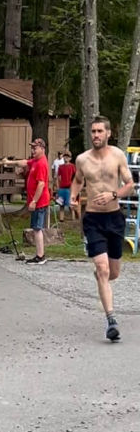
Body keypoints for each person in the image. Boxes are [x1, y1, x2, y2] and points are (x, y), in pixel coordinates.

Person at [70, 116, 134, 341]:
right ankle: (111, 321)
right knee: (103, 268)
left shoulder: (117, 156)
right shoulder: (82, 159)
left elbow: (130, 185)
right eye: (93, 131)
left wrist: (113, 194)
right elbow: (78, 180)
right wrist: (73, 195)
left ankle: (102, 276)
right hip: (94, 220)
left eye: (99, 131)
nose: (96, 135)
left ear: (108, 133)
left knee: (112, 272)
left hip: (114, 218)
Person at [2, 138, 51, 265]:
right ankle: (39, 254)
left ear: (42, 149)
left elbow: (41, 184)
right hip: (36, 201)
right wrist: (10, 162)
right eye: (32, 147)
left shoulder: (41, 164)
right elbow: (24, 162)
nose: (33, 150)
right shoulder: (35, 160)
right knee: (36, 228)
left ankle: (41, 256)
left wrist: (34, 201)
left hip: (40, 202)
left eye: (35, 148)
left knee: (37, 228)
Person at [56, 151, 78, 221]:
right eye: (65, 156)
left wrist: (74, 185)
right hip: (62, 188)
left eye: (68, 157)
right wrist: (57, 187)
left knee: (70, 204)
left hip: (69, 188)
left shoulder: (72, 166)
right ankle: (61, 219)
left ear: (70, 158)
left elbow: (76, 176)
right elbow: (58, 177)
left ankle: (73, 218)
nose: (66, 158)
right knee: (61, 204)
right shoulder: (61, 167)